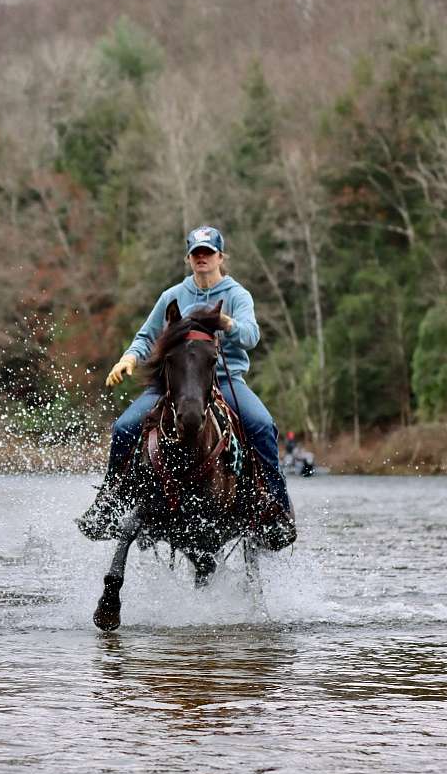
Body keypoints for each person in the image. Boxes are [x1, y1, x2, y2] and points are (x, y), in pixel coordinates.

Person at [78, 226, 294, 540]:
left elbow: (251, 336)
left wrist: (227, 323)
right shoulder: (173, 296)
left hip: (225, 379)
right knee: (124, 427)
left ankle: (276, 508)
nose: (202, 258)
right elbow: (145, 337)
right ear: (189, 258)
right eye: (196, 253)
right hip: (174, 383)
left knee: (262, 425)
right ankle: (109, 502)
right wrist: (128, 360)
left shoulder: (237, 295)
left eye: (208, 252)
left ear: (221, 256)